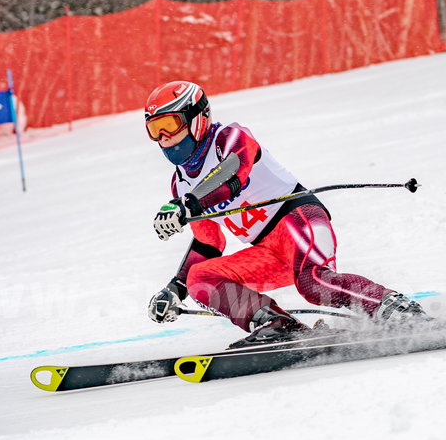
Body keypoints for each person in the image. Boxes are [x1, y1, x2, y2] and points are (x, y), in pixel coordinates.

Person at [143, 80, 429, 345]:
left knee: (314, 283)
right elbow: (209, 243)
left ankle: (396, 309)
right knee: (200, 279)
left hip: (297, 220)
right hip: (267, 251)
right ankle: (278, 326)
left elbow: (232, 175)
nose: (165, 138)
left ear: (198, 118)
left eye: (170, 124)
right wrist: (176, 288)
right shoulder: (180, 183)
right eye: (155, 130)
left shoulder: (229, 137)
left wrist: (188, 205)